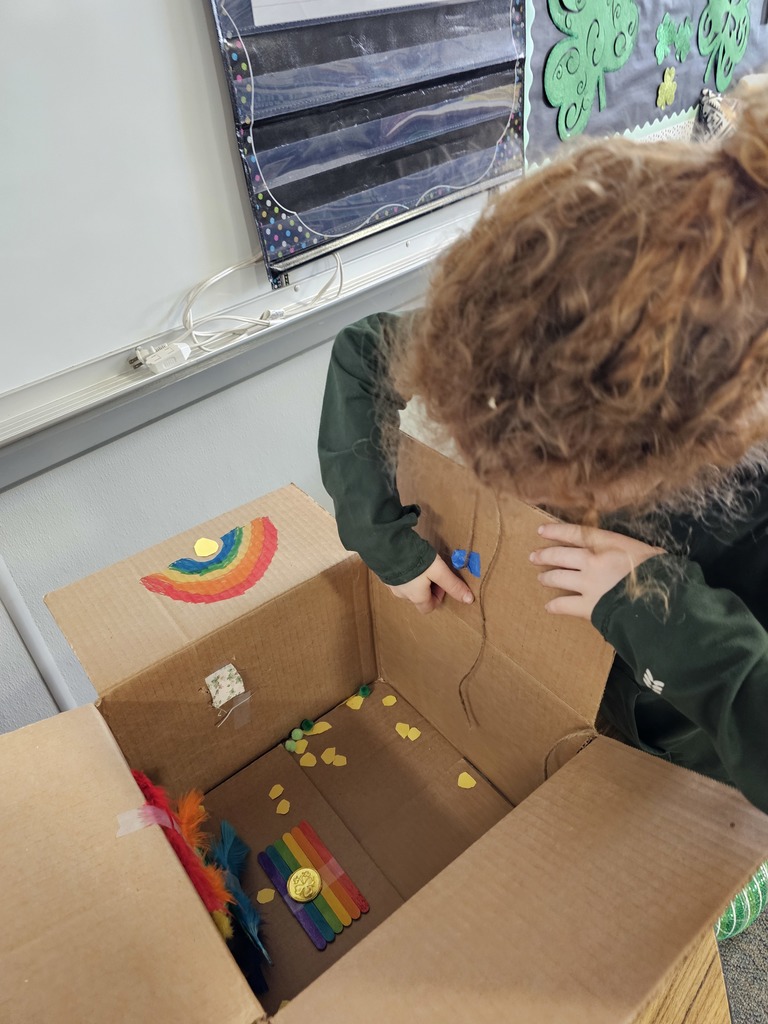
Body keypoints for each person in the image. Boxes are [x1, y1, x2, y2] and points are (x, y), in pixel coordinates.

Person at [318, 86, 768, 933]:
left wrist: (669, 612)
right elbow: (363, 355)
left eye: (552, 481)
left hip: (704, 734)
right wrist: (387, 542)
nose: (521, 494)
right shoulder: (545, 310)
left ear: (667, 463)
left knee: (672, 902)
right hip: (586, 691)